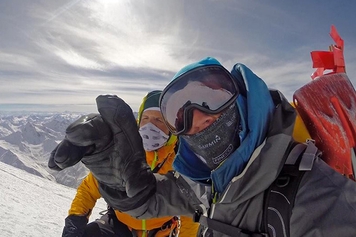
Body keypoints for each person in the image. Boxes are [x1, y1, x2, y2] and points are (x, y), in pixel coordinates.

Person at [53, 57, 356, 237]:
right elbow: (146, 201)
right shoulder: (204, 181)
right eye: (179, 115)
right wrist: (109, 167)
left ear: (243, 97)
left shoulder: (317, 194)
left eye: (209, 98)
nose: (196, 118)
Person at [60, 91, 200, 237]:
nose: (150, 126)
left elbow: (189, 211)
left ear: (172, 127)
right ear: (139, 121)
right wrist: (75, 221)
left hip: (161, 232)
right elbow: (89, 190)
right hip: (119, 227)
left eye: (159, 120)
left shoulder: (181, 162)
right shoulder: (123, 152)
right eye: (146, 118)